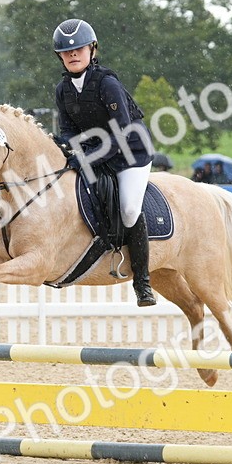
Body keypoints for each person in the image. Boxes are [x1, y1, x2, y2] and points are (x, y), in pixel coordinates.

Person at [51, 17, 157, 306]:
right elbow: (68, 129)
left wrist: (88, 155)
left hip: (131, 153)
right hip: (97, 152)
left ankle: (143, 282)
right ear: (60, 57)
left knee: (129, 208)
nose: (73, 55)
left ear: (92, 50)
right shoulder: (63, 90)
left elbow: (122, 130)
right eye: (67, 52)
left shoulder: (106, 83)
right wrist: (68, 148)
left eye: (79, 50)